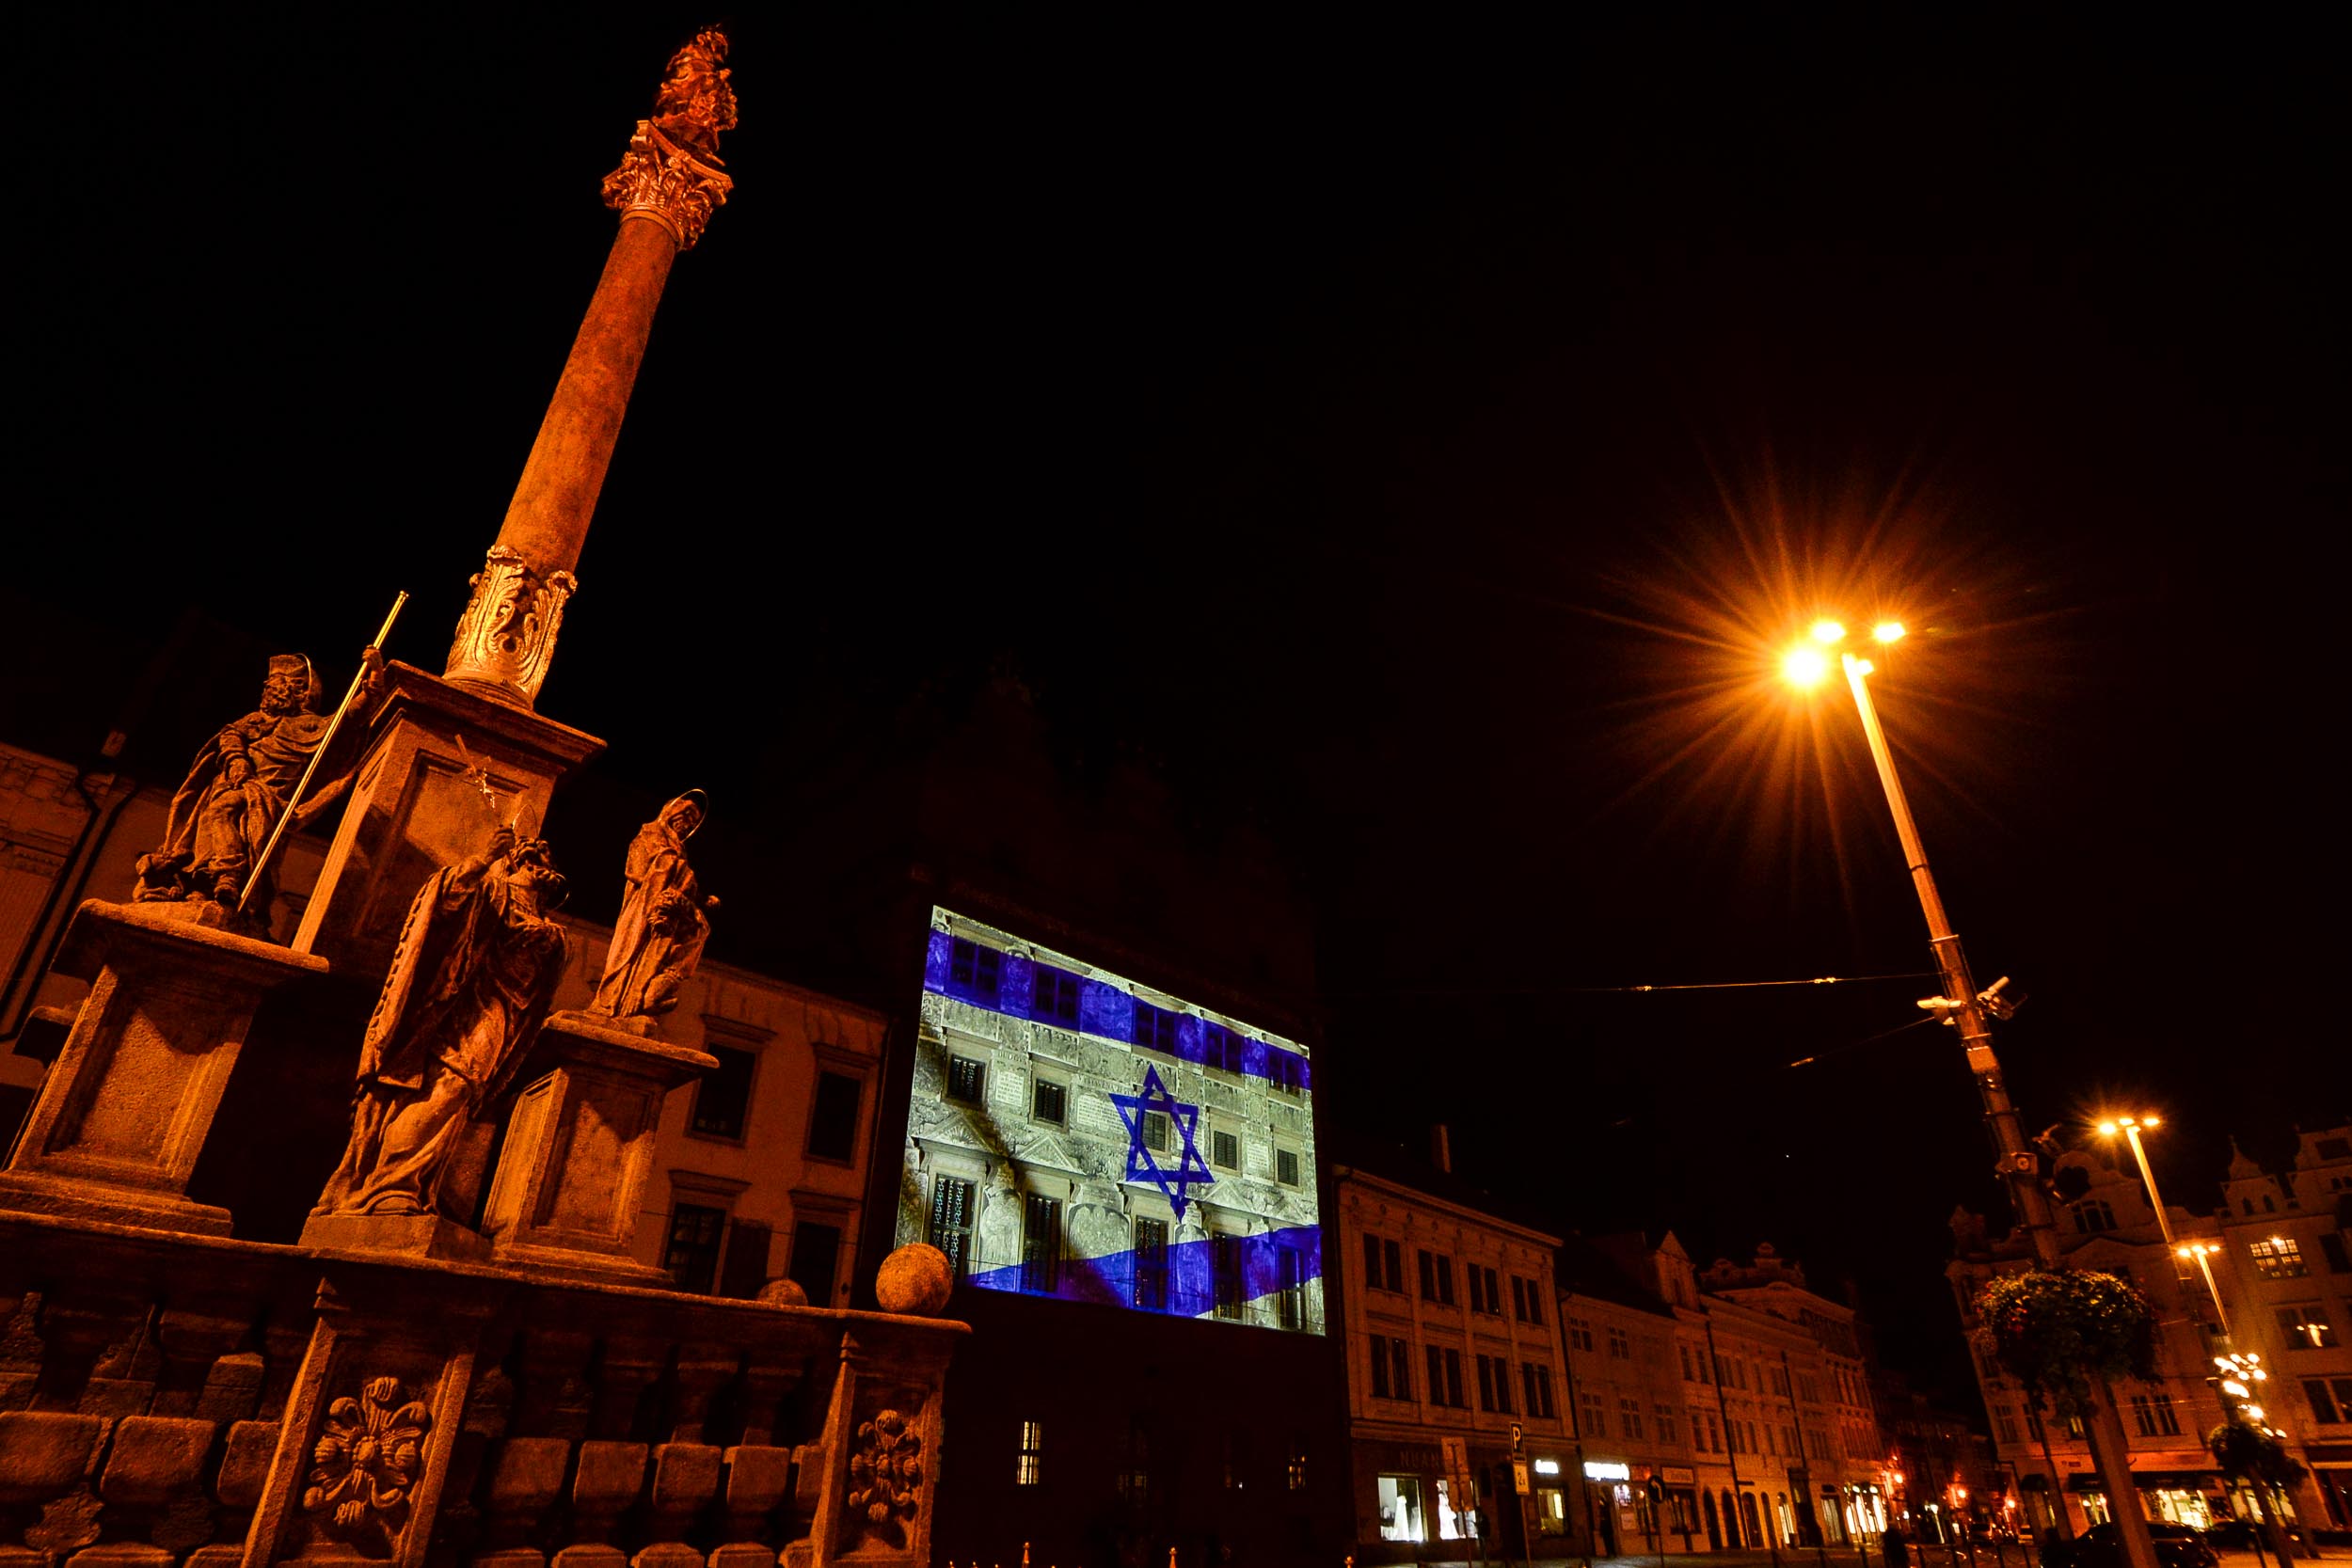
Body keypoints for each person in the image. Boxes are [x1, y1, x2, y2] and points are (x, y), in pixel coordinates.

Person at [312, 827, 569, 1219]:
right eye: (534, 858)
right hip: (458, 1002)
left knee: (461, 1092)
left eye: (546, 860)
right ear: (518, 862)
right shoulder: (491, 889)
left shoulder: (549, 926)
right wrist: (484, 858)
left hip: (503, 1011)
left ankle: (412, 1184)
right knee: (451, 1084)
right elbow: (446, 896)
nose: (542, 864)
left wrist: (548, 941)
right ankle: (389, 1186)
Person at [135, 648, 382, 926]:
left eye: (276, 684)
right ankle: (206, 885)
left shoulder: (310, 726)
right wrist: (237, 760)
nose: (267, 689)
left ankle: (229, 874)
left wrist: (373, 678)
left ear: (298, 691)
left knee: (222, 810)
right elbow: (230, 736)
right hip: (231, 784)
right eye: (269, 685)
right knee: (208, 827)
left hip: (269, 798)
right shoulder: (253, 721)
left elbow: (350, 717)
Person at [592, 790, 717, 1019]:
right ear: (671, 813)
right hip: (643, 904)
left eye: (692, 823)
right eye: (685, 817)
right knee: (632, 947)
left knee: (699, 928)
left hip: (669, 907)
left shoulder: (679, 849)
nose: (687, 826)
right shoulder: (649, 834)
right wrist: (670, 866)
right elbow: (637, 870)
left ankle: (653, 987)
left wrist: (700, 898)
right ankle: (619, 1000)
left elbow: (684, 882)